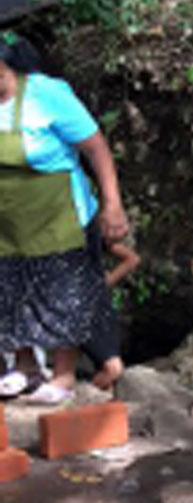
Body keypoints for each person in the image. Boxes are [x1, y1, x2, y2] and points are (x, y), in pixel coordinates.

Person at [0, 31, 129, 404]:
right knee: (8, 288)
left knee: (64, 293)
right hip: (9, 219)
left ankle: (63, 375)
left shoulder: (47, 95)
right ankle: (24, 368)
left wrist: (112, 204)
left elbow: (96, 148)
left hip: (60, 214)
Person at [81, 240, 140, 391]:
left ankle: (90, 395)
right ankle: (85, 395)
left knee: (112, 369)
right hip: (77, 308)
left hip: (100, 308)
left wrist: (105, 283)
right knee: (113, 368)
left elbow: (132, 259)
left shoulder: (92, 231)